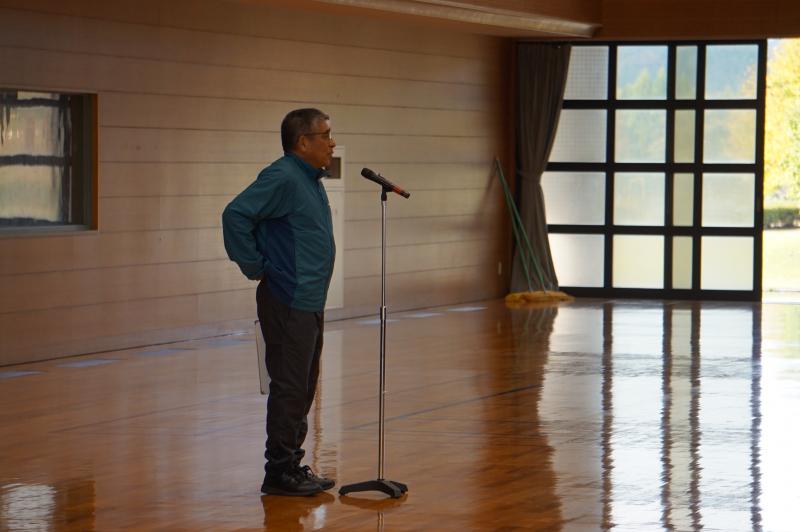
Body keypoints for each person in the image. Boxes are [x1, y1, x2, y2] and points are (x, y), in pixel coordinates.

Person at [222, 108, 337, 496]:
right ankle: (279, 472)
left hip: (309, 300)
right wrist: (254, 265)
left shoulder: (309, 179)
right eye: (325, 135)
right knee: (290, 386)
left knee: (303, 386)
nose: (332, 142)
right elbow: (235, 214)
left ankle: (291, 465)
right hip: (287, 298)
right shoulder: (283, 176)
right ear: (303, 142)